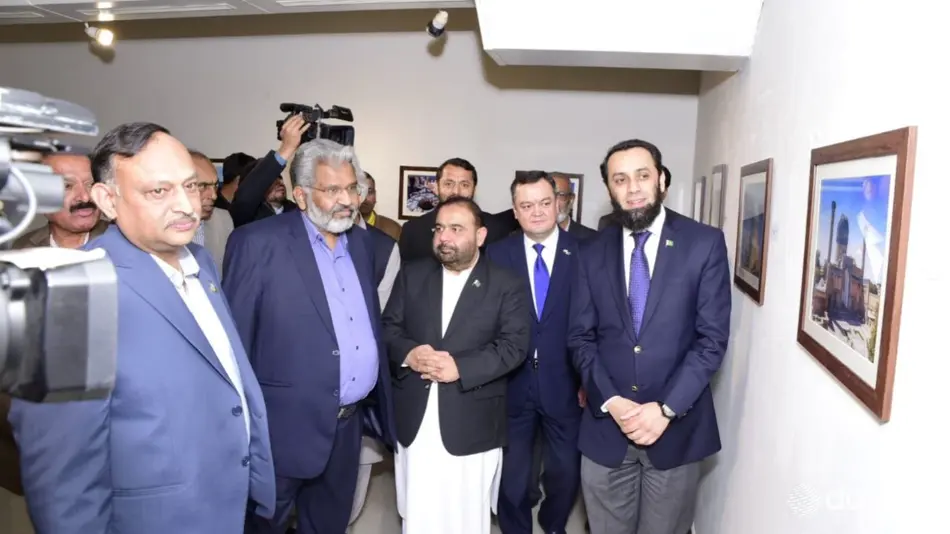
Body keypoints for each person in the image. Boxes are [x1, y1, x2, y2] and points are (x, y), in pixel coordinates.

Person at [8, 122, 276, 534]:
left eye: (190, 185)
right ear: (107, 200)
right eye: (158, 191)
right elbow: (63, 482)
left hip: (224, 506)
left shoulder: (201, 263)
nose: (186, 206)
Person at [224, 138, 394, 534]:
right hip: (280, 431)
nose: (346, 200)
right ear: (300, 196)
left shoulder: (363, 243)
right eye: (332, 189)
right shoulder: (257, 243)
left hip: (347, 427)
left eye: (351, 187)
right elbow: (235, 344)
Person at [569, 140, 730, 534]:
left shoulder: (703, 243)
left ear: (661, 180)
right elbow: (580, 338)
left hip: (675, 430)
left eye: (642, 175)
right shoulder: (590, 252)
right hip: (607, 429)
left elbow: (711, 340)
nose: (633, 188)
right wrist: (612, 401)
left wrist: (666, 410)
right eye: (620, 179)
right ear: (610, 188)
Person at [382, 196, 530, 534]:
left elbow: (513, 347)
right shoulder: (413, 274)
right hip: (415, 419)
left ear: (480, 235)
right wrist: (409, 354)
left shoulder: (506, 284)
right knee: (417, 512)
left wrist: (460, 368)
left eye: (456, 229)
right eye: (439, 229)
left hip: (472, 422)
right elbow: (388, 329)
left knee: (465, 516)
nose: (444, 237)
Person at [487, 171, 583, 534]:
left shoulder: (586, 253)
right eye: (527, 206)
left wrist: (589, 379)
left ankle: (553, 524)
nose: (537, 212)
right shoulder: (496, 255)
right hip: (512, 384)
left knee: (565, 473)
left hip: (567, 385)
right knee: (512, 479)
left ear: (558, 204)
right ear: (515, 211)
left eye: (545, 203)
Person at [397, 157, 508, 263]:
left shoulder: (496, 229)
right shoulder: (413, 230)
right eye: (448, 184)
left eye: (464, 185)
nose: (456, 191)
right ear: (437, 187)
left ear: (474, 189)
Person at [12, 151, 109, 249]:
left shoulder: (117, 238)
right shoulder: (23, 248)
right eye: (67, 186)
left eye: (91, 184)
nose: (85, 197)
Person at [190, 149, 234, 277]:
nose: (214, 195)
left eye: (215, 186)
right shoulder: (156, 227)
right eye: (203, 186)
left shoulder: (223, 220)